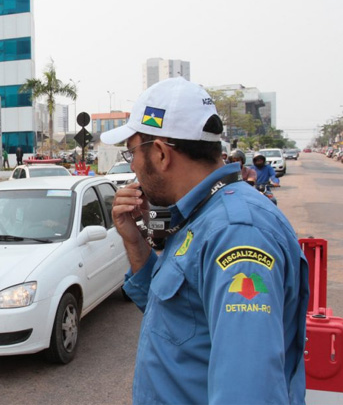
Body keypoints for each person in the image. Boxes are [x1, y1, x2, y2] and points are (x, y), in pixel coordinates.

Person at [102, 77, 308, 404]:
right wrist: (135, 241)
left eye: (131, 155)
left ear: (159, 154)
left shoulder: (237, 233)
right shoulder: (200, 213)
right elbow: (179, 318)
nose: (134, 170)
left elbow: (248, 393)